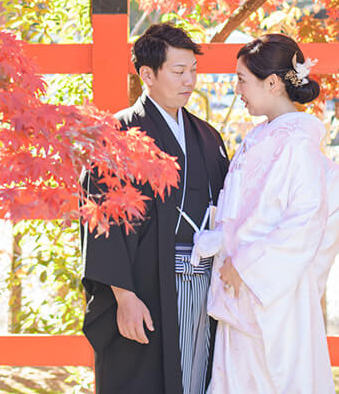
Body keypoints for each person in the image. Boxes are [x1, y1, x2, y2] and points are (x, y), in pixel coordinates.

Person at [191, 33, 339, 394]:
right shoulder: (262, 138)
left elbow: (305, 221)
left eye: (242, 80)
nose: (237, 89)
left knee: (269, 379)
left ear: (273, 82)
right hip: (243, 287)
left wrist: (245, 265)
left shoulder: (297, 144)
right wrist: (222, 244)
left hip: (269, 292)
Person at [82, 22, 230, 394]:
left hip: (203, 279)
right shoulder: (117, 134)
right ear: (147, 74)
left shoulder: (207, 136)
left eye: (193, 70)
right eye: (179, 71)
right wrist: (123, 296)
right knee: (142, 377)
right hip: (144, 283)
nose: (189, 81)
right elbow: (102, 220)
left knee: (197, 375)